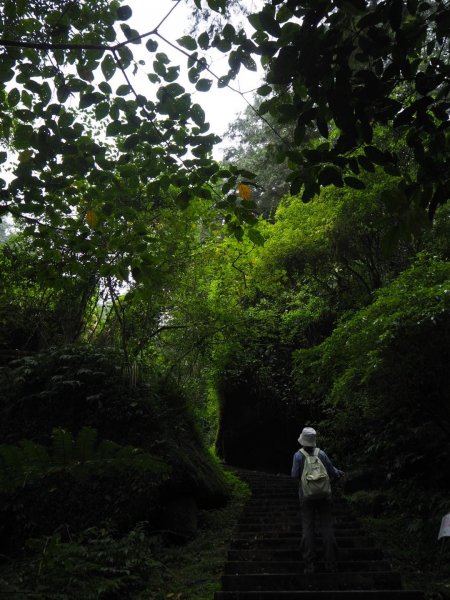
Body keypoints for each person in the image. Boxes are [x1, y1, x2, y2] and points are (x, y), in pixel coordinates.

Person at [291, 426, 344, 574]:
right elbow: (332, 472)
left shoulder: (298, 456)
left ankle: (310, 565)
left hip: (306, 497)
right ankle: (331, 564)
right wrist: (339, 472)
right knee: (327, 528)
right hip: (324, 496)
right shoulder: (322, 454)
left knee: (308, 528)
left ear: (303, 440)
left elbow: (294, 475)